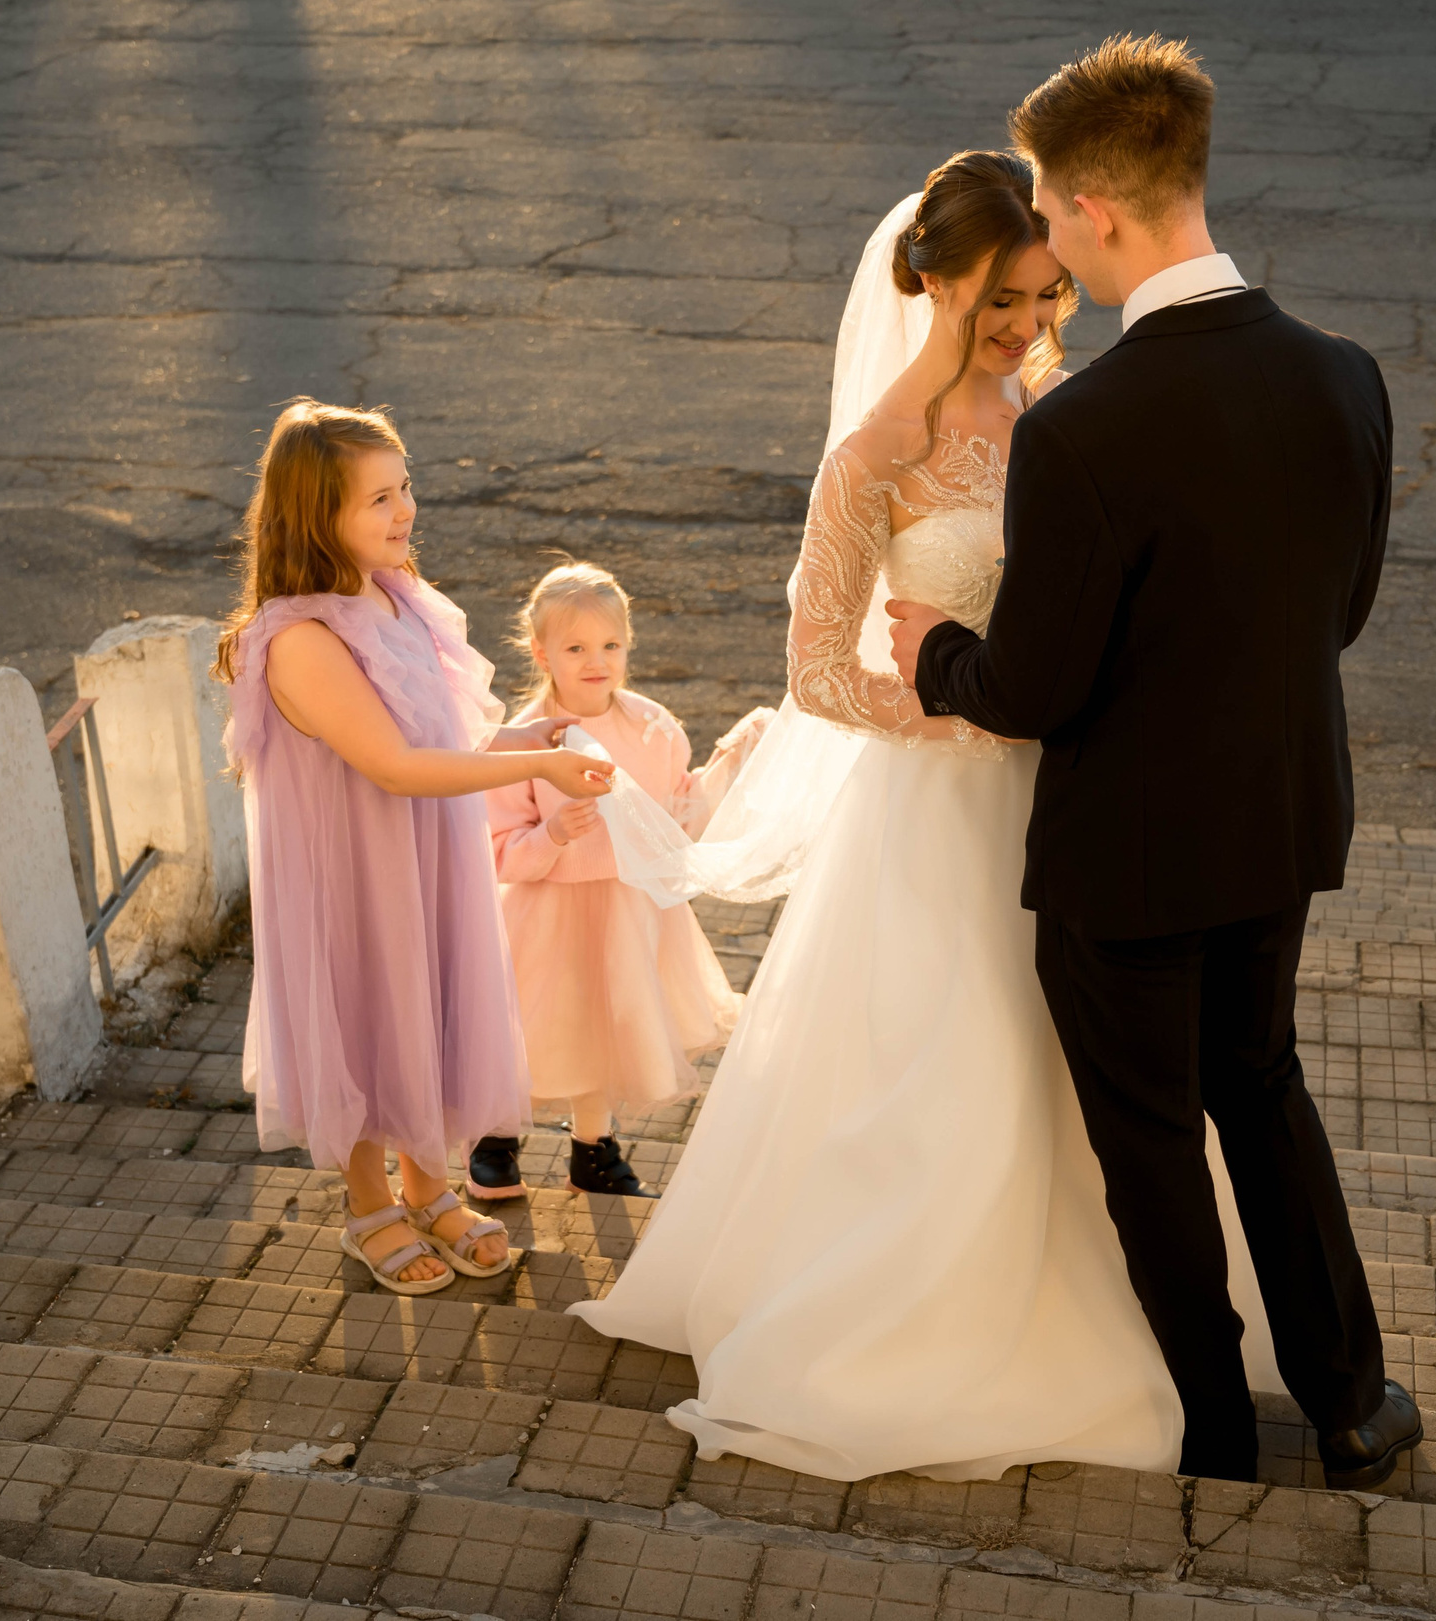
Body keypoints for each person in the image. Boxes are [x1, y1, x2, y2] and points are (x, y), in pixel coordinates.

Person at [571, 150, 1287, 1484]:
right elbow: (817, 671)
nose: (1025, 329)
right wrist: (961, 711)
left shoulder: (1068, 412)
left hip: (1073, 794)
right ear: (933, 283)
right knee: (947, 1065)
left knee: (1097, 1082)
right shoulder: (878, 456)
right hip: (942, 805)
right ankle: (919, 1330)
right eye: (998, 304)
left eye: (1047, 296)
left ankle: (1133, 1321)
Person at [888, 35, 1420, 1487]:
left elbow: (1032, 688)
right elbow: (1342, 614)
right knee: (1263, 1086)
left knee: (1152, 1149)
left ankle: (1211, 1425)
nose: (1050, 242)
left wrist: (936, 644)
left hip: (1126, 866)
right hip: (1281, 825)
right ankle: (1354, 1401)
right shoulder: (1346, 378)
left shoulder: (1086, 430)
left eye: (1054, 217)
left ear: (1101, 213)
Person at [217, 399, 615, 1296]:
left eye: (406, 489)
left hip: (426, 855)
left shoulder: (395, 599)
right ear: (318, 517)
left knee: (425, 1009)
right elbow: (393, 766)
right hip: (352, 870)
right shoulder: (300, 640)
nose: (405, 513)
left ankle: (430, 1187)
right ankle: (369, 1207)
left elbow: (445, 742)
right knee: (367, 1013)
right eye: (379, 501)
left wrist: (528, 743)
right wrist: (546, 761)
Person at [472, 561, 763, 1200]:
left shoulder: (652, 728)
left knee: (610, 1021)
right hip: (547, 913)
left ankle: (593, 1148)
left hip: (628, 908)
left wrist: (731, 761)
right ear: (541, 651)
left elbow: (678, 817)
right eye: (576, 648)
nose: (596, 660)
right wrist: (551, 835)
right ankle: (495, 1135)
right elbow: (498, 850)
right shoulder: (525, 740)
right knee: (537, 1022)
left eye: (611, 645)